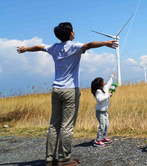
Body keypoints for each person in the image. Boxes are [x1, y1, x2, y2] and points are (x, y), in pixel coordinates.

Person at [17, 22, 118, 166]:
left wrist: (25, 49)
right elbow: (89, 45)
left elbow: (39, 47)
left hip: (56, 90)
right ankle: (64, 158)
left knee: (54, 125)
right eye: (73, 30)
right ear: (71, 33)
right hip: (70, 90)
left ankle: (50, 159)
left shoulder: (54, 48)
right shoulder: (74, 46)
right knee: (67, 125)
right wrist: (105, 43)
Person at [91, 73, 116, 147]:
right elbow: (99, 99)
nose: (104, 81)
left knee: (106, 125)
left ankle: (104, 137)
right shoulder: (98, 91)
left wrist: (112, 77)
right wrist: (108, 95)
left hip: (105, 111)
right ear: (100, 83)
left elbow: (109, 83)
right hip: (100, 112)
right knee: (102, 125)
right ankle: (98, 140)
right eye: (103, 80)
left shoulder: (104, 88)